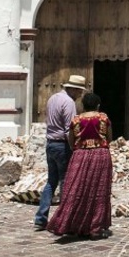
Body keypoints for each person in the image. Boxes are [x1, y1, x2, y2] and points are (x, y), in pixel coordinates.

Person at [47, 92, 113, 239]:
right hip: (101, 155)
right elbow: (109, 138)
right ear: (97, 105)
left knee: (76, 189)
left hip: (80, 155)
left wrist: (79, 150)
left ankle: (72, 224)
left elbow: (71, 140)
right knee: (99, 191)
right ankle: (95, 228)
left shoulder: (76, 120)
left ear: (83, 106)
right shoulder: (103, 118)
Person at [34, 74, 86, 230]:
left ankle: (41, 217)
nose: (80, 95)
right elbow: (70, 128)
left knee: (51, 182)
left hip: (50, 144)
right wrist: (76, 146)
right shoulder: (69, 102)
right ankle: (64, 218)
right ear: (73, 89)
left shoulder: (53, 98)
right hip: (62, 146)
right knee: (65, 181)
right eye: (79, 91)